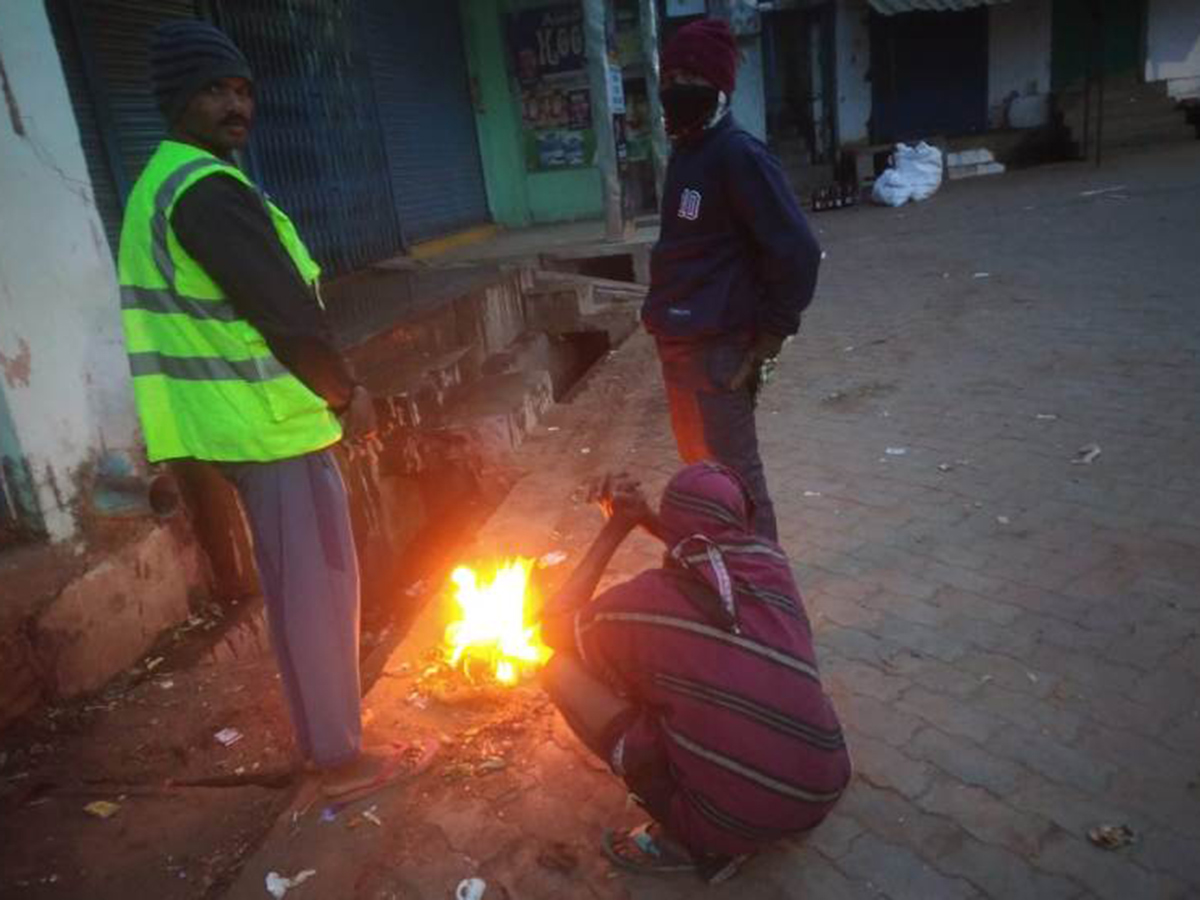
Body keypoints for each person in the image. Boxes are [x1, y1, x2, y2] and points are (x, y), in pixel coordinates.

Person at [118, 21, 431, 799]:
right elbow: (284, 312)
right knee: (320, 589)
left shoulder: (177, 182)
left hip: (245, 426)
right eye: (214, 89)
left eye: (243, 89)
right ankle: (338, 758)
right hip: (264, 426)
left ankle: (326, 741)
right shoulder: (204, 190)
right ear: (176, 100)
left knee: (302, 590)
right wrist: (344, 392)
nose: (235, 105)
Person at [540, 464, 850, 882]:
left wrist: (616, 528)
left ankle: (703, 846)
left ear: (673, 525)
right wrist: (647, 518)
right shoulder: (771, 565)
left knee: (560, 670)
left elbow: (550, 625)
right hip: (824, 785)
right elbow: (703, 545)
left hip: (736, 822)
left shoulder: (642, 607)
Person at [644, 19, 823, 541]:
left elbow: (799, 251)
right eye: (669, 75)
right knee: (705, 484)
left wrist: (769, 337)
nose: (675, 86)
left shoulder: (739, 154)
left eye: (689, 75)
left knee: (737, 486)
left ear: (718, 85)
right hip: (679, 351)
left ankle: (767, 602)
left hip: (718, 355)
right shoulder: (688, 153)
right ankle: (725, 582)